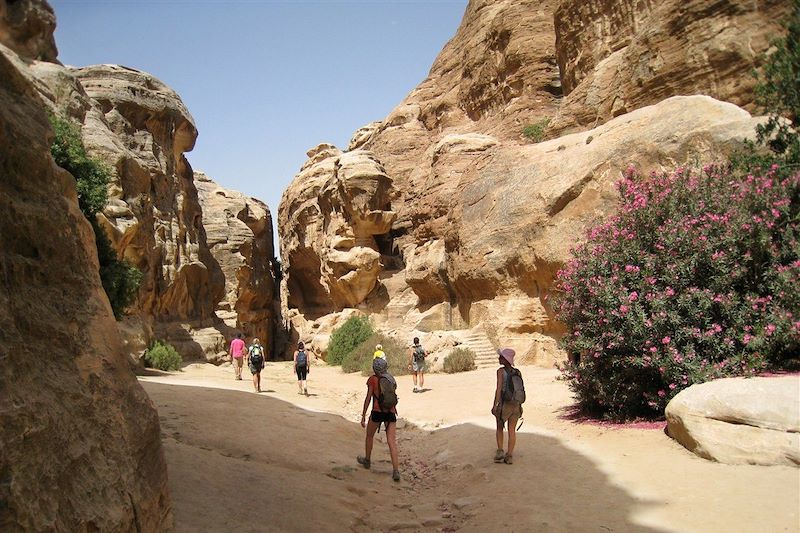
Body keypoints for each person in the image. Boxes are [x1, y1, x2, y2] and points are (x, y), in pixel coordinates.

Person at [357, 358, 400, 482]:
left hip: (377, 412)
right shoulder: (391, 379)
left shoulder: (372, 380)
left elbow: (368, 398)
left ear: (374, 368)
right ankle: (396, 471)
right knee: (392, 442)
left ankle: (367, 460)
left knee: (369, 436)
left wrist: (363, 414)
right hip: (390, 412)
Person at [491, 348, 522, 465]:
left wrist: (495, 405)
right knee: (512, 430)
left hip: (505, 404)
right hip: (516, 405)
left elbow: (498, 389)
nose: (499, 358)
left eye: (501, 357)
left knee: (499, 427)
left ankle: (500, 452)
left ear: (505, 360)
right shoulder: (517, 372)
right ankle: (509, 456)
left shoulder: (500, 372)